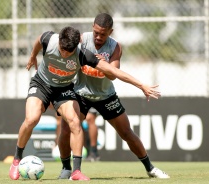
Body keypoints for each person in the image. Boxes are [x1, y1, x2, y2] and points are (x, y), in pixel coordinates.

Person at [9, 26, 160, 181]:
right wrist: (33, 55)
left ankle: (76, 171)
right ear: (59, 41)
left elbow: (114, 72)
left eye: (69, 51)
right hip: (42, 84)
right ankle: (16, 160)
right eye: (62, 49)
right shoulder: (49, 39)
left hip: (64, 88)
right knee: (32, 119)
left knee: (74, 122)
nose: (65, 54)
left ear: (77, 45)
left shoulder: (83, 55)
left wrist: (141, 85)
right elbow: (39, 39)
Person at [57, 13, 170, 179]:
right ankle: (68, 169)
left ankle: (150, 168)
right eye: (96, 32)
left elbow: (112, 75)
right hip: (81, 93)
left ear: (110, 32)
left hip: (105, 95)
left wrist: (97, 62)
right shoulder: (81, 40)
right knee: (67, 128)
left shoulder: (115, 47)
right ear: (92, 27)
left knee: (126, 132)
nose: (98, 36)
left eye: (103, 34)